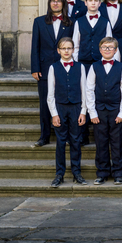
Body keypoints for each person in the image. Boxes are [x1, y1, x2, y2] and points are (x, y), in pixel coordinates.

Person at [85, 37, 122, 185]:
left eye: (110, 47)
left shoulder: (121, 67)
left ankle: (118, 172)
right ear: (100, 50)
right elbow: (89, 89)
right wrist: (92, 112)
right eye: (104, 47)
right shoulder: (94, 67)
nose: (107, 50)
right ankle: (102, 172)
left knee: (117, 143)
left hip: (116, 110)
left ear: (116, 50)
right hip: (99, 111)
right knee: (101, 142)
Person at [31, 0, 74, 148]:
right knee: (44, 103)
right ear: (49, 4)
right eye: (53, 1)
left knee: (64, 102)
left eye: (58, 1)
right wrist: (35, 68)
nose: (55, 3)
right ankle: (44, 136)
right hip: (44, 68)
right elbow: (35, 46)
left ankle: (65, 135)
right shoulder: (39, 22)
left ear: (63, 3)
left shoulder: (71, 23)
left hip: (65, 68)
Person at [46, 37, 88, 187]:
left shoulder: (80, 67)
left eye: (69, 48)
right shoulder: (53, 68)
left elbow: (84, 90)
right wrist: (54, 114)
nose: (66, 51)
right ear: (58, 51)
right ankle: (59, 174)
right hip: (60, 107)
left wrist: (83, 111)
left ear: (73, 50)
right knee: (61, 141)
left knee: (76, 141)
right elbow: (50, 94)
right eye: (63, 48)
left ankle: (77, 172)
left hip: (76, 107)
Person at [72, 0, 113, 69]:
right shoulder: (79, 22)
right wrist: (76, 63)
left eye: (96, 0)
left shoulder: (105, 22)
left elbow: (110, 44)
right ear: (85, 3)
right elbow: (76, 44)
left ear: (100, 3)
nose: (93, 3)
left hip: (100, 62)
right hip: (83, 62)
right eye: (90, 0)